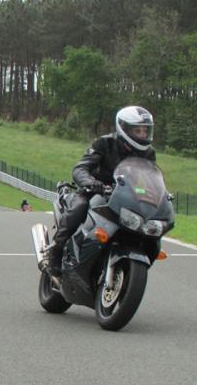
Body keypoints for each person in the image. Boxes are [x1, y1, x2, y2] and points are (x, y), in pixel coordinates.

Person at [44, 105, 156, 277]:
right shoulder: (104, 143)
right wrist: (91, 182)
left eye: (145, 131)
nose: (142, 135)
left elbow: (149, 179)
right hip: (96, 191)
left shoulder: (148, 153)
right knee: (79, 207)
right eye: (138, 130)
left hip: (125, 197)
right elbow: (81, 168)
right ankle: (56, 252)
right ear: (124, 128)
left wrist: (154, 193)